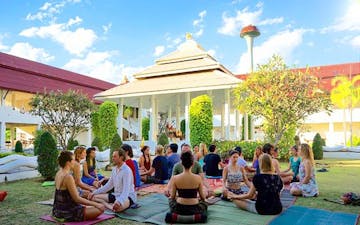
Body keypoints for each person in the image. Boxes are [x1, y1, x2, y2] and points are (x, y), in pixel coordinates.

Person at [53, 151, 104, 222]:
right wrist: (96, 204)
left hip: (57, 210)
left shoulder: (58, 173)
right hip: (68, 212)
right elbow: (77, 199)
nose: (74, 162)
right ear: (68, 162)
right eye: (73, 160)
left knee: (92, 206)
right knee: (101, 208)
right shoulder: (68, 177)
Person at [169, 151, 208, 215]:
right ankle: (196, 217)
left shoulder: (175, 178)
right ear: (192, 163)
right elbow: (202, 197)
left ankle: (177, 217)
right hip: (195, 208)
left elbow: (172, 197)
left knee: (170, 201)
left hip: (179, 209)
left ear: (181, 163)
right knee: (204, 203)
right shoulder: (198, 178)